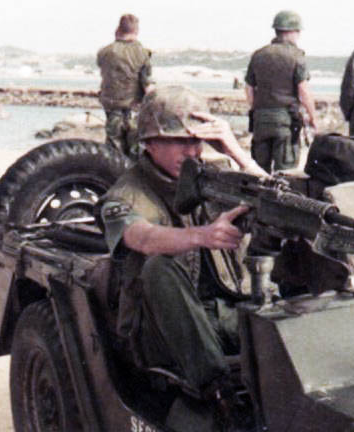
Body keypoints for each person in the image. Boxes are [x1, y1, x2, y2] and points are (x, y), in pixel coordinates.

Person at [98, 86, 267, 430]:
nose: (191, 152)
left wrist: (237, 153)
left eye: (197, 142)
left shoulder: (211, 176)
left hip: (223, 311)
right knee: (159, 265)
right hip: (161, 327)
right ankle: (222, 398)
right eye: (179, 142)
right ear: (149, 142)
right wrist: (202, 237)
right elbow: (142, 237)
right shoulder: (123, 195)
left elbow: (280, 199)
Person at [244, 10, 317, 173]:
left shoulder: (259, 55)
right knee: (285, 173)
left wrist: (257, 109)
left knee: (258, 172)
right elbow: (303, 91)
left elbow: (249, 88)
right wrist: (313, 118)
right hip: (285, 122)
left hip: (260, 120)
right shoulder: (296, 56)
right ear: (292, 32)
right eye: (298, 31)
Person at [97, 14, 154, 157]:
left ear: (118, 29)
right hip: (134, 110)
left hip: (112, 109)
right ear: (136, 31)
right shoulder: (142, 53)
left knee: (113, 152)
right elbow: (147, 86)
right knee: (135, 152)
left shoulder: (104, 52)